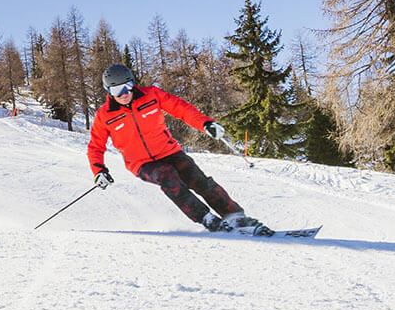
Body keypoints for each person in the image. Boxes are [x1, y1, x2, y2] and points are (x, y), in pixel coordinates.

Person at [86, 64, 266, 233]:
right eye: (117, 90)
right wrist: (99, 171)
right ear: (108, 91)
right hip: (141, 164)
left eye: (127, 86)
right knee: (167, 176)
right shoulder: (104, 116)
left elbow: (181, 108)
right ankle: (207, 218)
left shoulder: (152, 95)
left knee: (198, 179)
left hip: (169, 152)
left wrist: (205, 124)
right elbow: (95, 147)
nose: (124, 94)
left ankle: (235, 217)